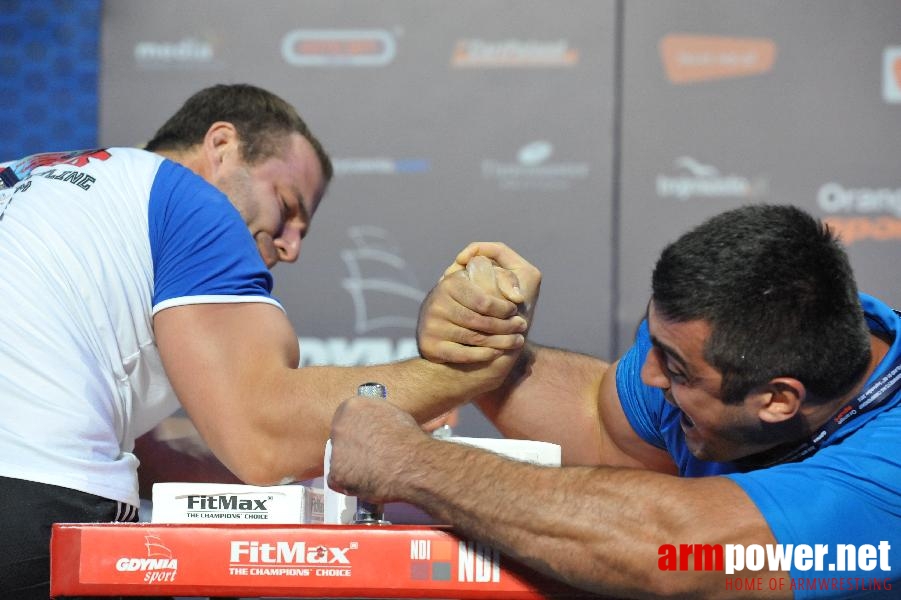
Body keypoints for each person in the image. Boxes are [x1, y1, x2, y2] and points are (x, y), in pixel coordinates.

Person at [0, 83, 523, 598]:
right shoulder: (194, 202)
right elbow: (261, 438)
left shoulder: (35, 182)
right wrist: (459, 372)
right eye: (287, 205)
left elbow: (160, 460)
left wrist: (311, 485)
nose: (291, 246)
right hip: (32, 513)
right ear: (222, 147)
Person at [328, 204, 901, 599]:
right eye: (653, 344)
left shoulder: (890, 468)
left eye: (675, 369)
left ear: (777, 400)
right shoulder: (761, 341)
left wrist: (411, 462)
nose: (648, 375)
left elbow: (676, 552)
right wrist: (480, 338)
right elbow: (598, 427)